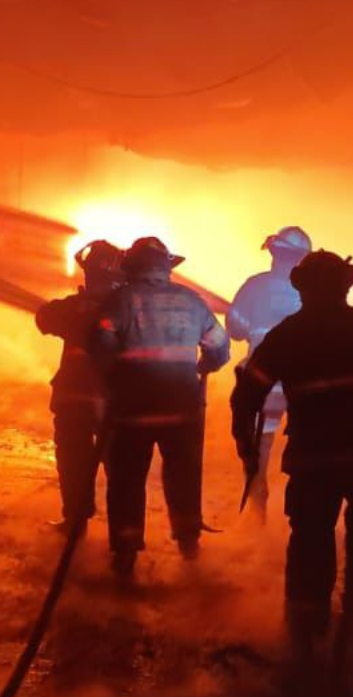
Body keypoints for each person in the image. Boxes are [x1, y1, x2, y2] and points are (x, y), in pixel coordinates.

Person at [230, 249, 353, 675]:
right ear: (344, 285)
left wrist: (246, 447)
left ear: (302, 289)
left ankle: (306, 627)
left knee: (310, 540)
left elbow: (247, 394)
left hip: (314, 458)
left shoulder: (286, 336)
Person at [92, 236, 230, 575]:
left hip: (132, 410)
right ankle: (189, 544)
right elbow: (219, 346)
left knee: (126, 480)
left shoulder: (120, 300)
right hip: (182, 410)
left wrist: (113, 380)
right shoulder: (192, 301)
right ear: (166, 267)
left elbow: (101, 346)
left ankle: (126, 553)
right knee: (184, 476)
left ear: (132, 267)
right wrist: (205, 366)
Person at [35, 240, 125, 530]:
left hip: (74, 398)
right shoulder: (129, 308)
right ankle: (123, 530)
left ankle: (76, 521)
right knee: (121, 466)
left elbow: (44, 319)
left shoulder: (72, 308)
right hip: (117, 400)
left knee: (74, 462)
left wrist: (79, 303)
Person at [227, 225, 312, 517]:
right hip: (304, 387)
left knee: (259, 449)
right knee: (308, 446)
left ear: (274, 252)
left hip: (263, 385)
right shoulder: (314, 292)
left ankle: (257, 516)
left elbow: (236, 329)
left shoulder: (255, 286)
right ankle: (306, 516)